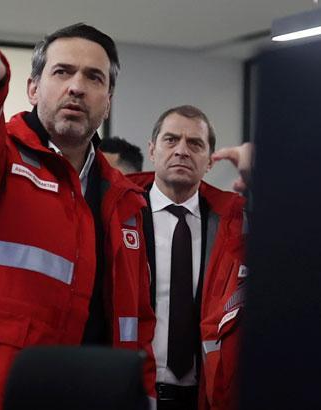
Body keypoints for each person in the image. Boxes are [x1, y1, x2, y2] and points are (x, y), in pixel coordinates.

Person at [0, 24, 156, 409]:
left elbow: (138, 325)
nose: (76, 87)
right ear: (32, 88)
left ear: (108, 101)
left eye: (93, 77)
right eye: (62, 72)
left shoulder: (126, 201)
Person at [128, 105, 246, 410]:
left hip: (205, 396)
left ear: (209, 161)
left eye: (195, 144)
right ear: (152, 150)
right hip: (132, 391)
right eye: (171, 140)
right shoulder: (120, 215)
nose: (181, 151)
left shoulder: (232, 225)